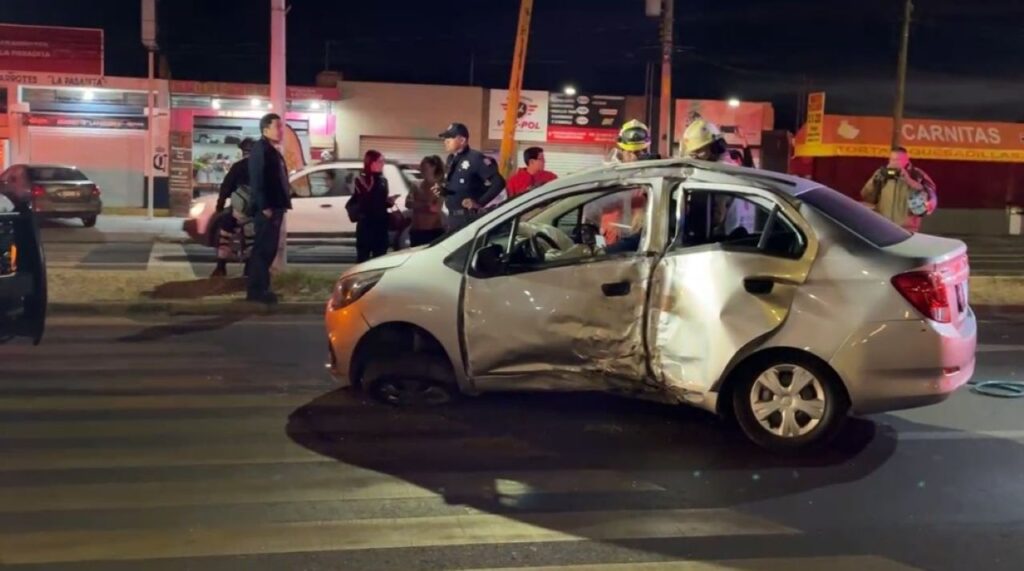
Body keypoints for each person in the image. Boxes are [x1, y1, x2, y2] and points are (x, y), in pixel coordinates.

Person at [246, 113, 292, 304]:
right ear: (265, 129)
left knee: (269, 250)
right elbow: (257, 180)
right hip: (268, 209)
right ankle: (256, 291)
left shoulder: (271, 150)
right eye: (277, 127)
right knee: (263, 250)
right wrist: (264, 206)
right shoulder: (261, 150)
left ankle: (263, 288)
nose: (281, 130)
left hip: (276, 207)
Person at [438, 122, 506, 231]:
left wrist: (479, 203)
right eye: (445, 138)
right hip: (452, 217)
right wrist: (443, 191)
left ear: (462, 140)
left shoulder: (475, 158)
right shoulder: (451, 159)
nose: (446, 141)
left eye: (450, 138)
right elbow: (458, 188)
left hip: (467, 218)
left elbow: (499, 183)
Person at [861, 146, 937, 232]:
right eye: (892, 159)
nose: (894, 163)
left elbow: (930, 196)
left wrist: (909, 181)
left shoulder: (916, 174)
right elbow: (866, 195)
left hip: (907, 229)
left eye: (897, 160)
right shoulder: (881, 173)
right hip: (883, 227)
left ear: (906, 160)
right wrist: (877, 179)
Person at [211, 138, 255, 278]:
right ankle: (248, 270)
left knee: (224, 235)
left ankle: (221, 267)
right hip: (254, 210)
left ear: (242, 151)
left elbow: (226, 187)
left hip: (237, 209)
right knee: (251, 240)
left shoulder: (238, 167)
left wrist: (220, 205)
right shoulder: (262, 168)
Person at [348, 150, 395, 262]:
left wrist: (389, 202)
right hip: (366, 225)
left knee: (380, 259)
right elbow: (366, 199)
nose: (383, 164)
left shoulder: (383, 181)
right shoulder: (362, 180)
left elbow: (379, 202)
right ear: (371, 162)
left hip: (381, 225)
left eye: (383, 161)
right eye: (380, 161)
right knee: (363, 259)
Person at [406, 155, 446, 246]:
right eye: (421, 166)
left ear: (433, 168)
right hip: (416, 231)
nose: (422, 169)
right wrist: (426, 204)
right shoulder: (416, 185)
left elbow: (435, 208)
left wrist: (417, 204)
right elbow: (408, 203)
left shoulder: (439, 188)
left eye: (425, 167)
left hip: (432, 232)